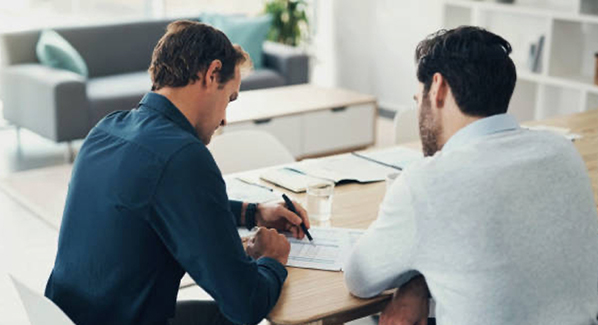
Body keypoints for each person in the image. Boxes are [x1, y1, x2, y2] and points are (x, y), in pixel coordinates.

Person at [45, 20, 310, 325]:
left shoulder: (106, 130)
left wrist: (253, 213)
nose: (225, 118)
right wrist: (272, 258)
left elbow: (161, 201)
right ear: (212, 75)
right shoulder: (183, 156)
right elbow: (245, 305)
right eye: (230, 98)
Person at [344, 26, 598, 325]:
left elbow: (359, 278)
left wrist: (412, 283)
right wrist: (420, 285)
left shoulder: (427, 183)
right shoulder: (561, 152)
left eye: (418, 99)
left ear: (437, 88)